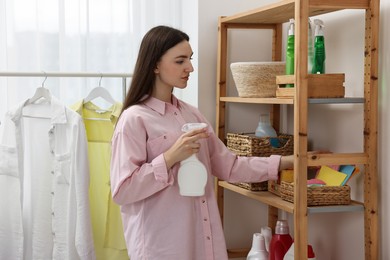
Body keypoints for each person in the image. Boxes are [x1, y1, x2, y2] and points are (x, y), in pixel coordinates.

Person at [110, 25, 294, 260]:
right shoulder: (134, 119)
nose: (190, 67)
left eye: (190, 59)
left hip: (202, 242)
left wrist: (287, 162)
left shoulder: (192, 115)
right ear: (155, 65)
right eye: (180, 61)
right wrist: (169, 157)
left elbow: (230, 166)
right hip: (161, 248)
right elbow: (122, 191)